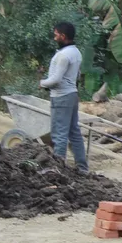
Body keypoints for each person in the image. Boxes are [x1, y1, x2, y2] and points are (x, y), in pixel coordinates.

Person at [39, 21, 88, 172]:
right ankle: (82, 167)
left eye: (56, 35)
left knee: (59, 134)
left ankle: (57, 169)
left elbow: (56, 79)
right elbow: (77, 75)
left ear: (63, 36)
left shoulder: (63, 55)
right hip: (72, 95)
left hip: (61, 97)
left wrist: (42, 83)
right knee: (74, 132)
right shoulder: (76, 52)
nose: (54, 38)